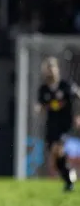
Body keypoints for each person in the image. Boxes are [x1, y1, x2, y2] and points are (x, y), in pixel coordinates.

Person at [36, 57, 80, 191]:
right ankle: (69, 177)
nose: (51, 72)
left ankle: (69, 176)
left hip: (65, 125)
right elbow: (41, 105)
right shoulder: (43, 89)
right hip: (52, 126)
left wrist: (78, 116)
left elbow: (77, 97)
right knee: (55, 157)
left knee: (58, 149)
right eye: (48, 69)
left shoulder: (65, 86)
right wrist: (39, 108)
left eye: (52, 68)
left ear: (57, 70)